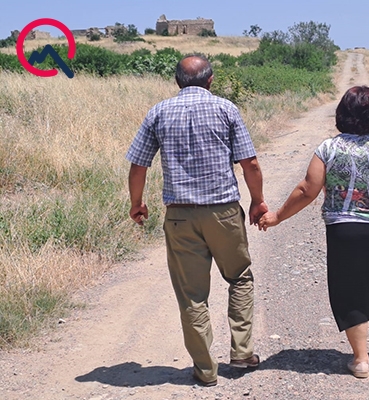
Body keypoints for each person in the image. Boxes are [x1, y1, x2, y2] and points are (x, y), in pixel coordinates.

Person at [258, 86, 369, 379]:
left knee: (351, 290)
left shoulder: (328, 149)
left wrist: (277, 216)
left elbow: (307, 189)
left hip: (344, 231)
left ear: (342, 114)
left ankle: (360, 360)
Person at [126, 55, 267, 387]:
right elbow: (250, 164)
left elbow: (138, 166)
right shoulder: (226, 109)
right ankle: (242, 351)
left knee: (191, 295)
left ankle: (205, 370)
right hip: (224, 213)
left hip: (180, 216)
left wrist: (137, 202)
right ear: (210, 80)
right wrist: (257, 201)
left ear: (177, 81)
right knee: (240, 277)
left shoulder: (158, 112)